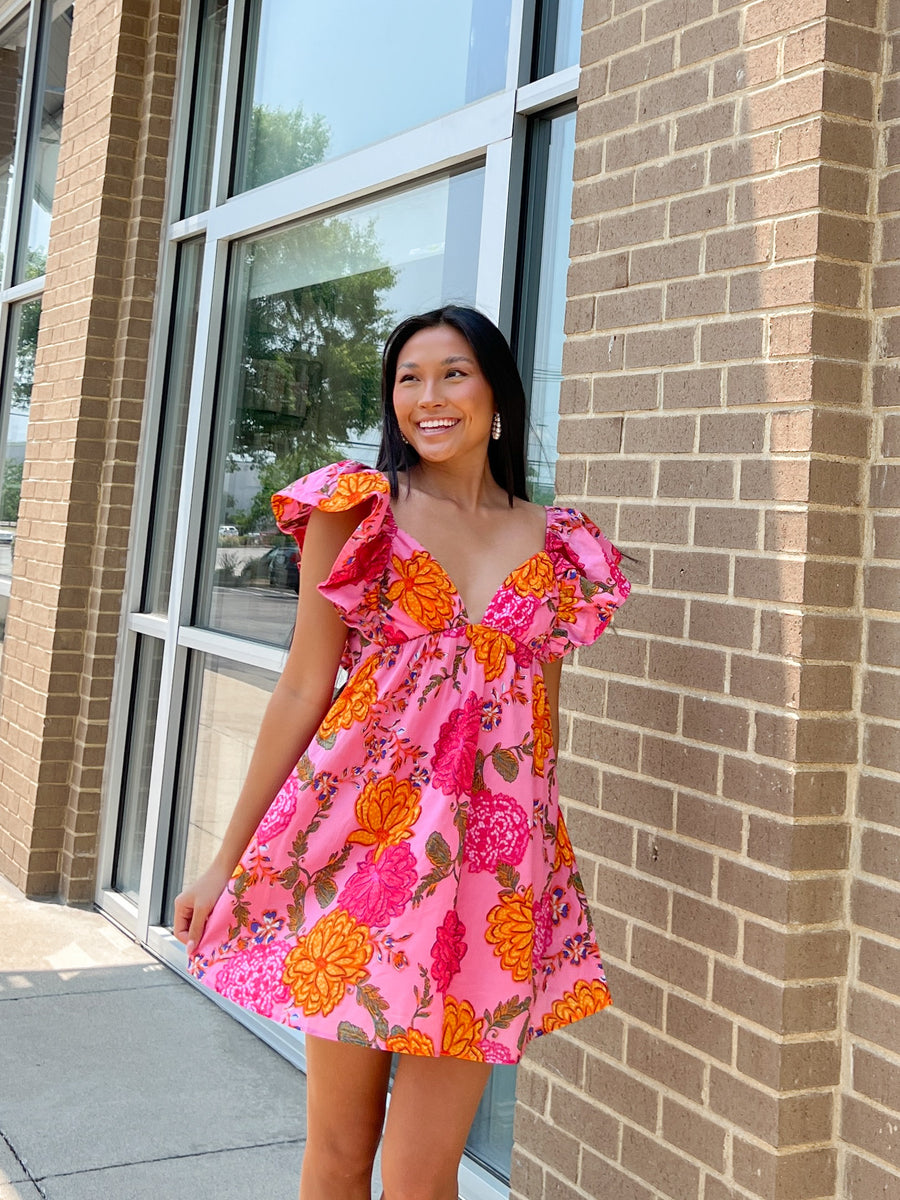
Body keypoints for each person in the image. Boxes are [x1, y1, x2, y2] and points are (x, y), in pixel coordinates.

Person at [173, 305, 630, 1200]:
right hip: (358, 857)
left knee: (424, 1177)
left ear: (498, 393)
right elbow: (305, 688)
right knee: (342, 1154)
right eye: (408, 378)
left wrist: (538, 873)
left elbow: (544, 726)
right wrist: (225, 861)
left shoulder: (560, 543)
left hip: (490, 880)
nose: (428, 397)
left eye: (454, 373)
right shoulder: (361, 513)